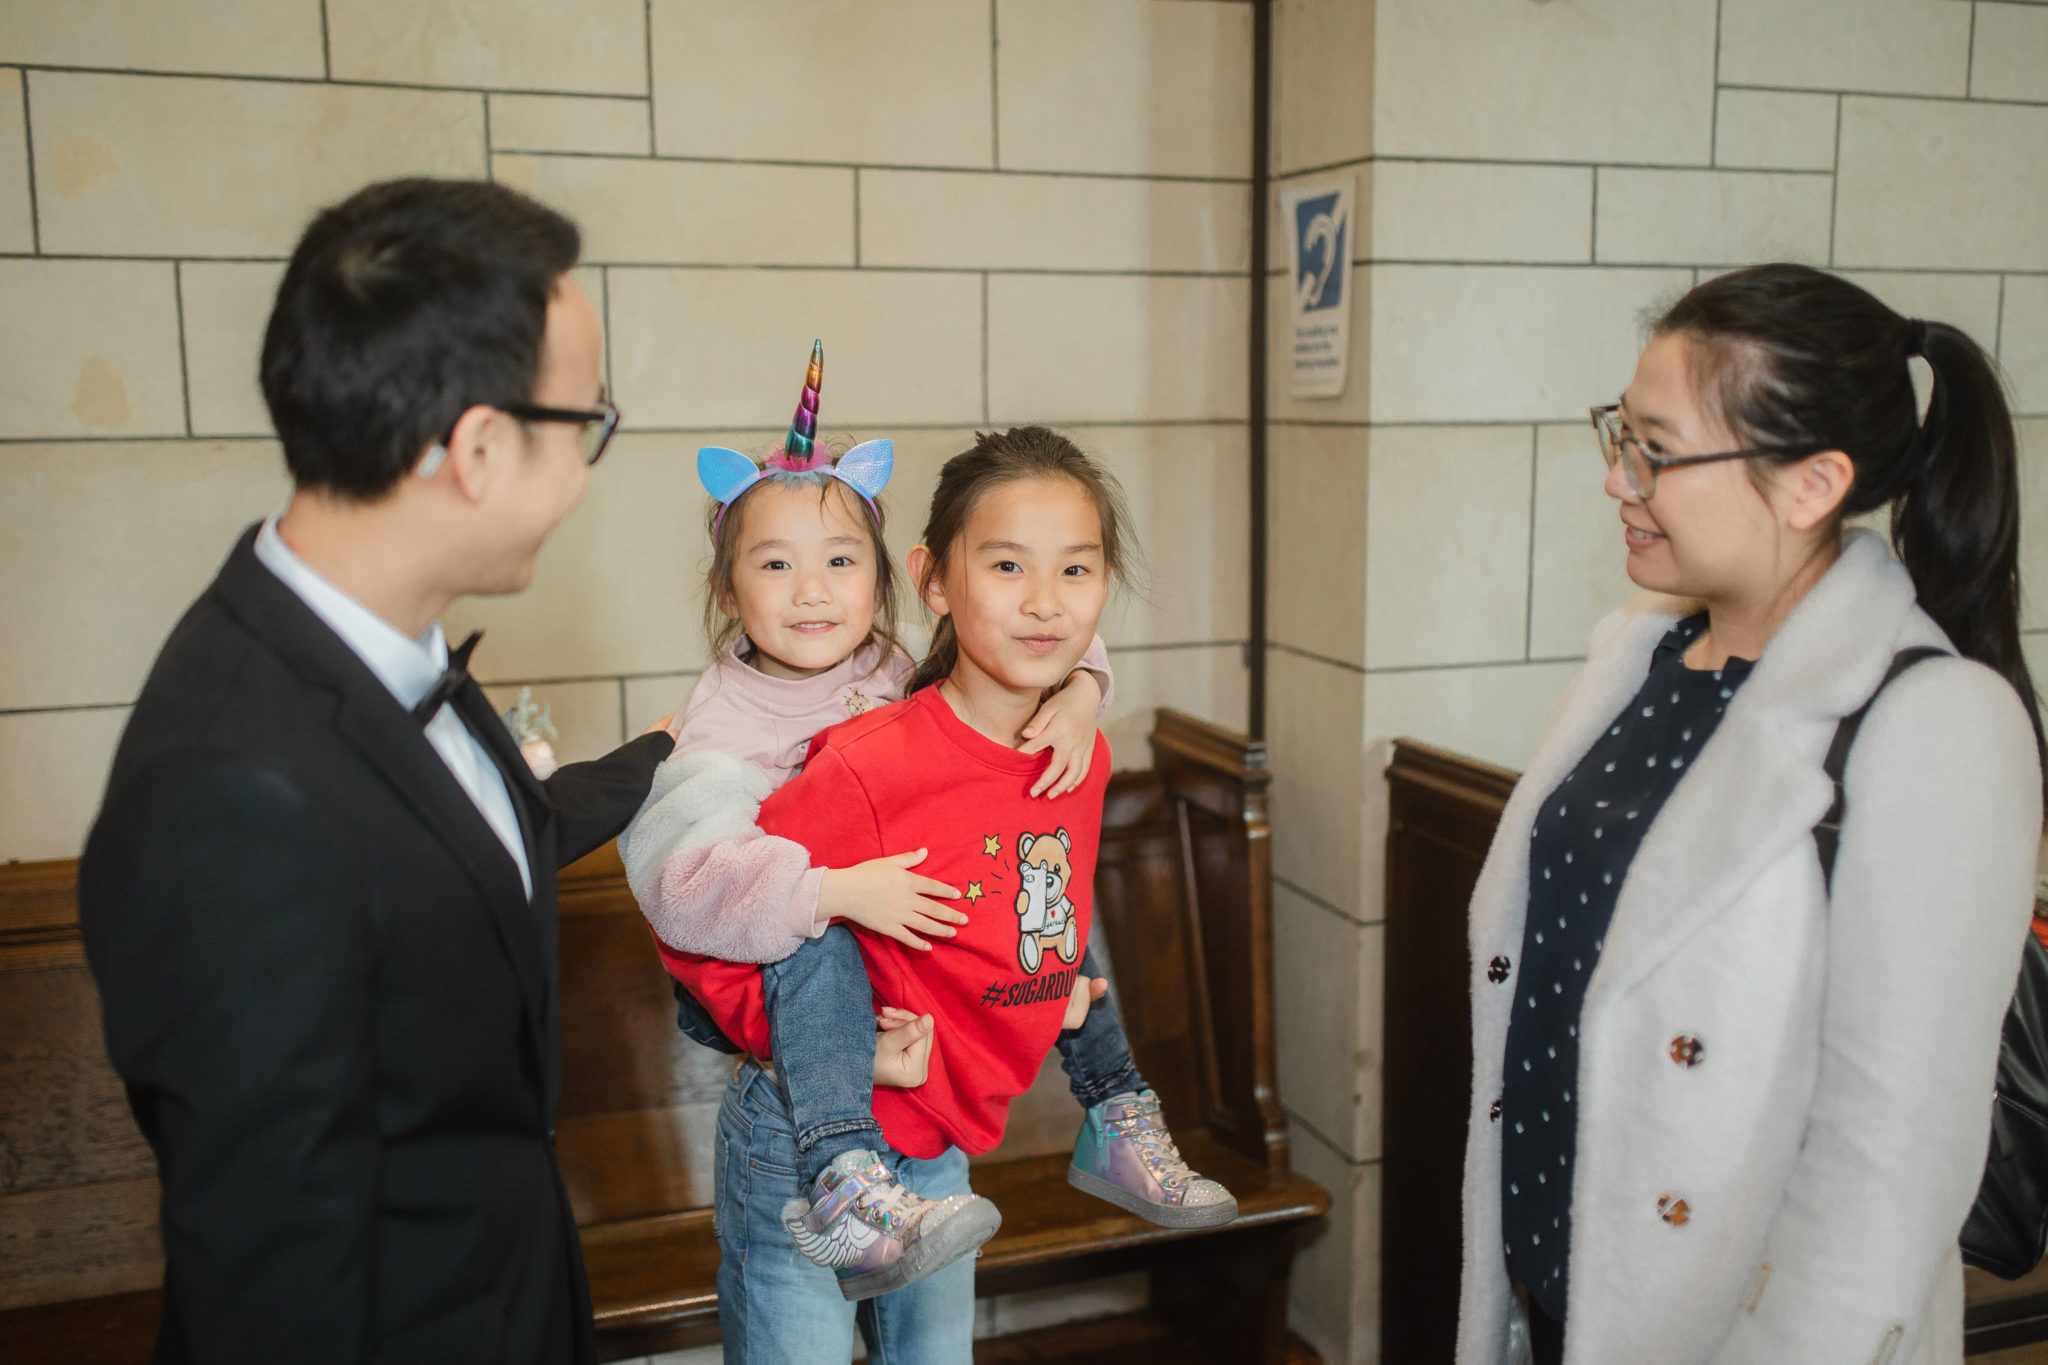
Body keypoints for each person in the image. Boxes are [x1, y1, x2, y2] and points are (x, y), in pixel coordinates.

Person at [77, 178, 678, 1365]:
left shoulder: (377, 652)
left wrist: (684, 748)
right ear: (478, 448)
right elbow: (271, 1278)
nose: (587, 469)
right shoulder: (226, 796)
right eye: (586, 426)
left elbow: (470, 846)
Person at [1456, 263, 2046, 1365]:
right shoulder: (1634, 658)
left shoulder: (1932, 721)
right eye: (1617, 436)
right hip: (1558, 1286)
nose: (1617, 481)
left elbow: (1890, 1158)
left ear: (1810, 484)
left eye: (1656, 452)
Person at [657, 426, 1232, 1363]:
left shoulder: (1067, 744)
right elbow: (697, 932)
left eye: (1076, 570)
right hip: (807, 1132)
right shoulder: (853, 761)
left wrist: (1048, 984)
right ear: (934, 580)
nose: (1045, 601)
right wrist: (828, 1048)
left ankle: (1115, 1106)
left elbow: (1027, 898)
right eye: (1007, 565)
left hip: (936, 1139)